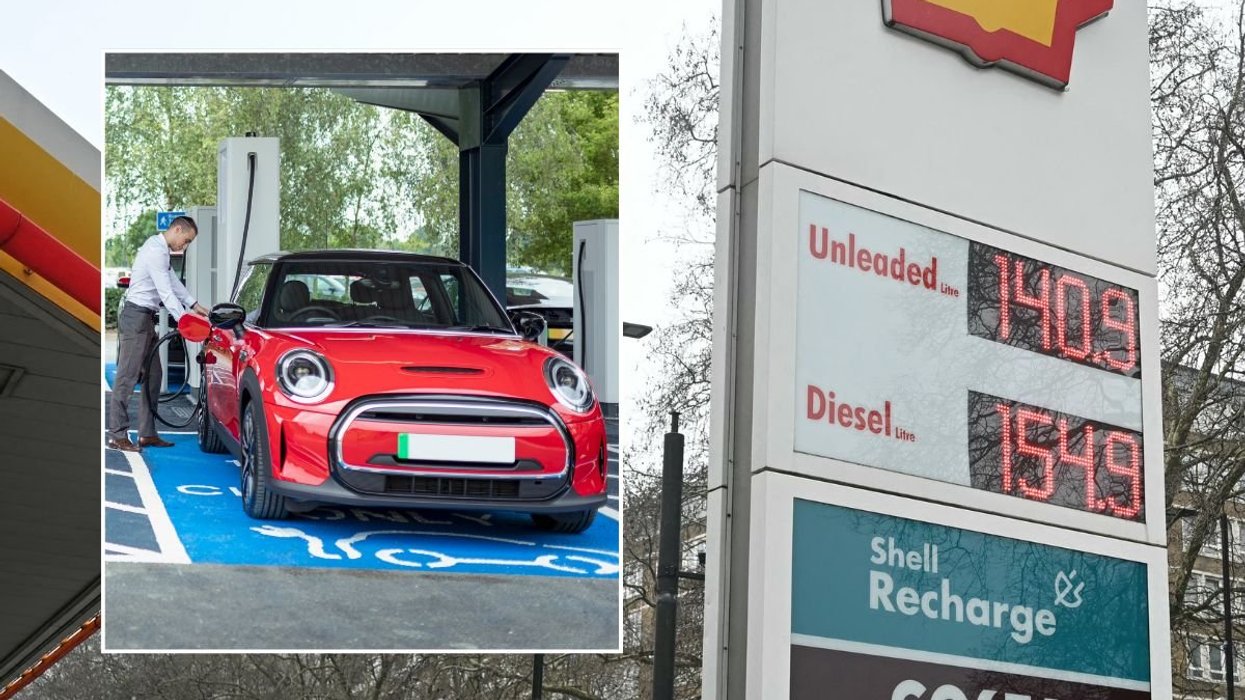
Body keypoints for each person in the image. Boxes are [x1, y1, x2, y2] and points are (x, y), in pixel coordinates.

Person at [106, 216, 209, 452]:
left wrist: (194, 306)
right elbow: (165, 292)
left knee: (154, 376)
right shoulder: (155, 250)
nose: (185, 246)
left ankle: (147, 434)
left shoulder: (162, 253)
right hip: (136, 317)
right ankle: (117, 435)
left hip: (145, 318)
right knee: (127, 377)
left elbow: (173, 283)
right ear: (177, 229)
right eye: (186, 241)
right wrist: (185, 320)